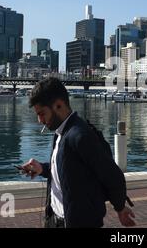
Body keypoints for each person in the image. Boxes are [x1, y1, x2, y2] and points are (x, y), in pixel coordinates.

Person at [21, 78, 136, 228]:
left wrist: (120, 208)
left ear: (58, 105)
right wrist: (42, 169)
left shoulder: (80, 136)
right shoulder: (60, 133)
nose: (39, 120)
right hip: (55, 220)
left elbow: (112, 175)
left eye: (42, 113)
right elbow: (68, 170)